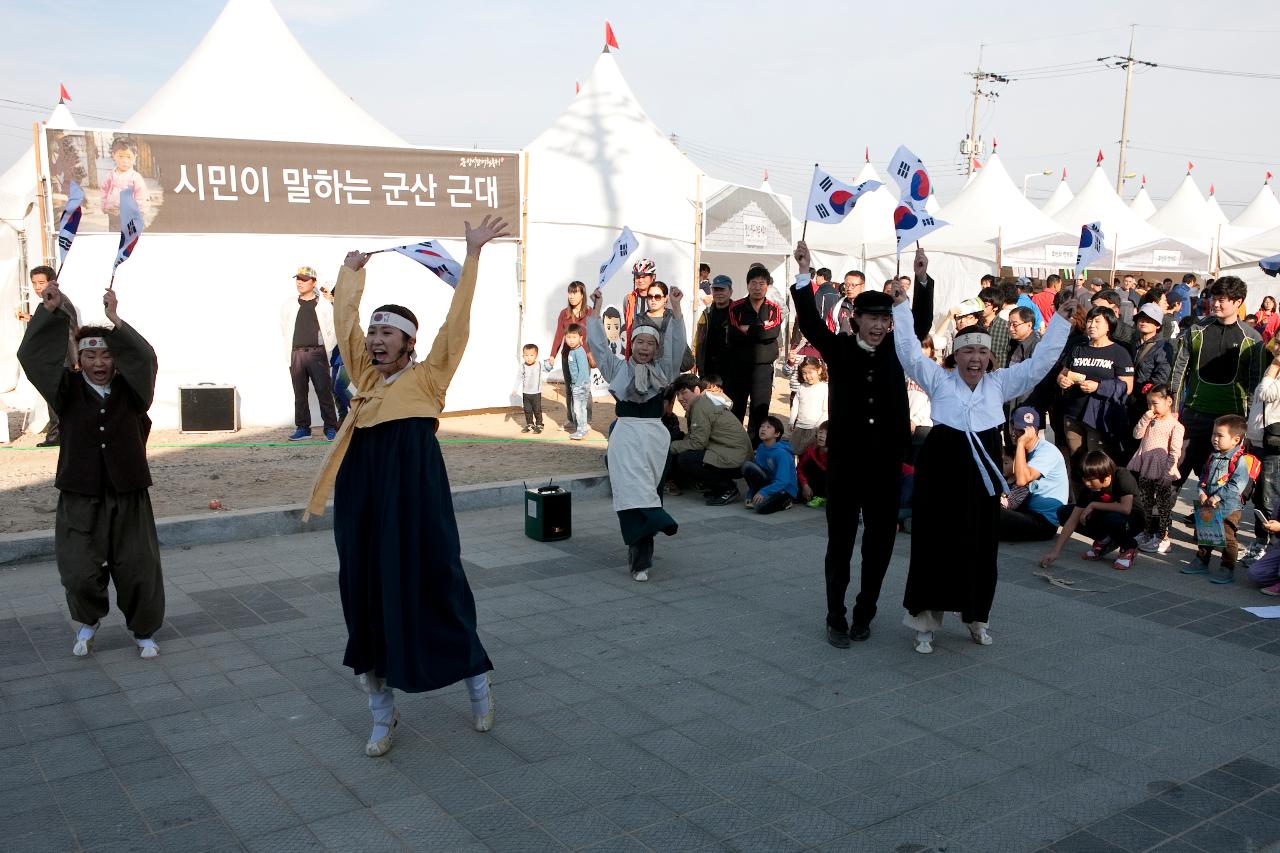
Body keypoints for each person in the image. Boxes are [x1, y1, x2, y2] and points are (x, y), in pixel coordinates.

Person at [303, 215, 509, 756]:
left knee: (435, 583)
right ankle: (381, 716)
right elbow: (343, 326)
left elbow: (457, 322)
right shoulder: (364, 381)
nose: (373, 340)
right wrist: (350, 277)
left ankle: (478, 685)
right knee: (366, 594)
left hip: (415, 494)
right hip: (364, 490)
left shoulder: (429, 377)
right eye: (373, 333)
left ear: (409, 343)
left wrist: (474, 254)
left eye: (385, 332)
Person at [891, 273, 1075, 654]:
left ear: (990, 356)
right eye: (967, 351)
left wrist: (1061, 320)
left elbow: (1040, 363)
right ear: (955, 355)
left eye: (981, 352)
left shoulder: (1001, 382)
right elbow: (908, 352)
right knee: (934, 544)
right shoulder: (939, 381)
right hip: (942, 465)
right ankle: (925, 624)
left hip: (983, 470)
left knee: (979, 545)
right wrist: (900, 306)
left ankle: (977, 617)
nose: (974, 358)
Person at [17, 283, 164, 659]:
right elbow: (34, 357)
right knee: (79, 571)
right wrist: (49, 314)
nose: (99, 363)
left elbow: (145, 358)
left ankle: (144, 629)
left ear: (116, 360)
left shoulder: (132, 392)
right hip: (80, 495)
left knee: (137, 567)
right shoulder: (65, 391)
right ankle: (88, 620)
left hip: (128, 493)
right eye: (91, 355)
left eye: (107, 355)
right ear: (79, 359)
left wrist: (116, 320)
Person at [793, 241, 910, 648]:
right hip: (845, 466)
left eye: (884, 319)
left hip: (885, 467)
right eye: (871, 319)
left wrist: (919, 283)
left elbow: (923, 322)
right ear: (855, 318)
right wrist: (804, 274)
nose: (878, 326)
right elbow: (809, 321)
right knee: (840, 545)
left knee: (879, 546)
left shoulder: (900, 350)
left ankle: (865, 612)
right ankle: (834, 615)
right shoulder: (840, 349)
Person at [587, 281, 687, 580]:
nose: (644, 348)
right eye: (640, 342)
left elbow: (676, 343)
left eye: (650, 344)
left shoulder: (663, 371)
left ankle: (646, 542)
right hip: (626, 436)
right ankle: (644, 549)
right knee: (629, 492)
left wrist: (677, 307)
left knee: (650, 491)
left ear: (656, 349)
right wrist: (595, 308)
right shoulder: (617, 369)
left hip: (654, 438)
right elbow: (598, 346)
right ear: (633, 344)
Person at [1169, 276, 1265, 489]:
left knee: (1220, 483)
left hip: (1231, 418)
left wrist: (1248, 424)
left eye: (1222, 299)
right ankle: (1158, 519)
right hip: (1193, 414)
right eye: (1214, 298)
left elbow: (1256, 384)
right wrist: (1174, 411)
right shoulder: (1195, 331)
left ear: (1238, 302)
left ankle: (1208, 522)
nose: (1215, 304)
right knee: (1174, 471)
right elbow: (1178, 373)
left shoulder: (1252, 338)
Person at [1057, 305, 1134, 479]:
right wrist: (1062, 380)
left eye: (1097, 321)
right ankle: (1079, 501)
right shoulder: (1078, 348)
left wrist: (1098, 387)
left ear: (1109, 326)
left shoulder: (1119, 352)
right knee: (1076, 462)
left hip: (1100, 417)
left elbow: (1127, 386)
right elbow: (1063, 372)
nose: (1092, 325)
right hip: (1073, 415)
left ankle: (1100, 501)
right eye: (1090, 320)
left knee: (1097, 464)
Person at [1181, 414, 1257, 584]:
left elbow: (1237, 485)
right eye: (1214, 434)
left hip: (1229, 507)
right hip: (1208, 503)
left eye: (1220, 435)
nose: (1215, 439)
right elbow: (1203, 476)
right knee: (1206, 533)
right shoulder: (1213, 455)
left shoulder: (1239, 460)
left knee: (1227, 537)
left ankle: (1227, 567)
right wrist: (1201, 490)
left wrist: (1217, 496)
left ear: (1236, 440)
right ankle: (1201, 560)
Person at [1041, 451, 1145, 572]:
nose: (1086, 483)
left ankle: (1128, 547)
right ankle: (1105, 539)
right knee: (1064, 512)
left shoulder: (1122, 475)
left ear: (1105, 475)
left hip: (1133, 521)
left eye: (1090, 480)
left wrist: (1093, 505)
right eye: (1084, 479)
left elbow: (1126, 508)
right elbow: (1072, 521)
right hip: (1108, 518)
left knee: (1112, 519)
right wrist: (1055, 552)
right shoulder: (1089, 488)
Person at [669, 373, 752, 505]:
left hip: (736, 460)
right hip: (737, 455)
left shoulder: (700, 405)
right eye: (677, 394)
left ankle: (727, 488)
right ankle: (717, 486)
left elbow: (697, 443)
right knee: (686, 450)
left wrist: (669, 447)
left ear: (696, 390)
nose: (680, 398)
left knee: (686, 459)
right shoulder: (705, 401)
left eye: (683, 393)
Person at [19, 265, 79, 447]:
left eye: (41, 282)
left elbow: (69, 332)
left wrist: (76, 361)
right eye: (34, 283)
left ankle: (56, 436)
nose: (37, 287)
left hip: (62, 359)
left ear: (52, 282)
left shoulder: (58, 301)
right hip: (57, 358)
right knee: (57, 398)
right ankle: (59, 435)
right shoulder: (51, 301)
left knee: (56, 398)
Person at [726, 265, 784, 444]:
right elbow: (735, 333)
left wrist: (748, 330)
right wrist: (759, 331)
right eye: (754, 283)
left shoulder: (774, 308)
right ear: (747, 285)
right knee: (737, 407)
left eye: (762, 283)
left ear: (767, 286)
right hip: (740, 365)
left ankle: (755, 447)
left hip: (763, 368)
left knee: (760, 410)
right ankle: (735, 445)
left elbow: (772, 333)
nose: (757, 287)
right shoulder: (735, 307)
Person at [282, 265, 339, 441]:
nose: (300, 282)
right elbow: (285, 327)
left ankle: (330, 427)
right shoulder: (290, 304)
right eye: (298, 279)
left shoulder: (323, 304)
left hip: (317, 353)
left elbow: (332, 328)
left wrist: (326, 350)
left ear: (313, 282)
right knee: (299, 392)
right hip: (296, 353)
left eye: (305, 279)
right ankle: (303, 428)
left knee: (324, 390)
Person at [998, 408, 1069, 542]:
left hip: (1043, 522)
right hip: (1025, 512)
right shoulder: (1026, 450)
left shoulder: (1046, 452)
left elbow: (1021, 480)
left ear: (1033, 431)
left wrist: (1020, 443)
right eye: (1014, 428)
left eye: (1021, 430)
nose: (1015, 433)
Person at [1128, 384, 1184, 555]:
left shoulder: (1175, 426)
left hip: (1162, 470)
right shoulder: (1150, 419)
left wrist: (1168, 473)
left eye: (1155, 403)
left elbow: (1175, 451)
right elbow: (1136, 435)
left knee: (1162, 505)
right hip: (1146, 466)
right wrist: (1145, 419)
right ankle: (1147, 533)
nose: (1151, 408)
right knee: (1146, 502)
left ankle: (1163, 537)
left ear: (1169, 401)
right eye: (1148, 404)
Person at [1245, 355, 1280, 566]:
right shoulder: (1273, 372)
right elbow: (1257, 404)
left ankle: (1270, 545)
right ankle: (1260, 541)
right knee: (1257, 496)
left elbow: (1265, 393)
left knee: (1270, 497)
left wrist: (1273, 367)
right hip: (1258, 441)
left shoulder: (1273, 372)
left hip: (1273, 446)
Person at [548, 281, 594, 433]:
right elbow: (558, 335)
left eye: (575, 292)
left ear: (582, 294)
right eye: (570, 292)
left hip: (584, 356)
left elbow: (594, 336)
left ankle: (585, 421)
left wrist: (593, 354)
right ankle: (571, 418)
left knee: (584, 388)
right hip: (567, 357)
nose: (572, 296)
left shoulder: (589, 312)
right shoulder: (564, 314)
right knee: (569, 388)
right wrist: (552, 355)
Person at [741, 416, 797, 514]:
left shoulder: (781, 453)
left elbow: (783, 481)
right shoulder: (761, 447)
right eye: (762, 426)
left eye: (768, 427)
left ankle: (787, 501)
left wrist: (763, 492)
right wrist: (751, 493)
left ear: (777, 434)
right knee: (747, 466)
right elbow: (758, 474)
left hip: (785, 489)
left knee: (759, 507)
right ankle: (758, 494)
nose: (763, 429)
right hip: (770, 483)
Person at [100, 136, 151, 230]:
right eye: (120, 156)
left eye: (129, 157)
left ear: (135, 157)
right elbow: (104, 190)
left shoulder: (135, 177)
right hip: (113, 213)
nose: (125, 160)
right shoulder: (111, 175)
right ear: (113, 155)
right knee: (115, 235)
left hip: (130, 215)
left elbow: (142, 196)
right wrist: (105, 205)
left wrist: (140, 212)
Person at [693, 275, 734, 378]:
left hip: (730, 368)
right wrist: (694, 359)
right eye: (716, 289)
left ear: (730, 291)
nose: (719, 293)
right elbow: (698, 337)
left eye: (722, 289)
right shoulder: (706, 313)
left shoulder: (737, 312)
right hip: (707, 368)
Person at [789, 358, 828, 455]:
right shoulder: (802, 387)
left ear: (819, 370)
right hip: (799, 427)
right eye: (804, 373)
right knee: (794, 452)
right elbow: (796, 405)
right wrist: (792, 421)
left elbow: (825, 410)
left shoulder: (824, 388)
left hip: (814, 429)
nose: (807, 376)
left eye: (810, 372)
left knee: (810, 455)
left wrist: (817, 427)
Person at [513, 343, 551, 433]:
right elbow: (519, 378)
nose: (528, 357)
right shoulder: (522, 366)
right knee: (527, 410)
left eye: (531, 355)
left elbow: (548, 369)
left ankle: (539, 424)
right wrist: (515, 389)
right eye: (526, 355)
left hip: (536, 392)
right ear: (523, 356)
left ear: (536, 356)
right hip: (526, 393)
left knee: (537, 409)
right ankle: (530, 424)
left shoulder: (539, 365)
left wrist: (550, 364)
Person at [622, 258, 658, 355]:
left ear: (653, 277)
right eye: (638, 277)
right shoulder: (628, 299)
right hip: (635, 351)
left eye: (644, 276)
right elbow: (628, 325)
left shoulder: (661, 298)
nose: (640, 280)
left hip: (656, 350)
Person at [564, 325, 592, 440]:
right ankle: (583, 428)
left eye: (574, 337)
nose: (571, 340)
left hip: (580, 385)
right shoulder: (572, 351)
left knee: (578, 409)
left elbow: (583, 370)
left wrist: (577, 385)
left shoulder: (579, 352)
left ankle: (581, 430)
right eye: (568, 337)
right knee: (581, 408)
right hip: (578, 385)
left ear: (581, 338)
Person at [797, 421, 830, 507]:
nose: (821, 435)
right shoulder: (811, 451)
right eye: (820, 432)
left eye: (826, 433)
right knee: (809, 464)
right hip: (812, 484)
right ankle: (812, 495)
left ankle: (823, 497)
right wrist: (805, 485)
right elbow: (800, 468)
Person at [979, 287, 1011, 368]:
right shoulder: (974, 324)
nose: (981, 307)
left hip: (997, 375)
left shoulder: (1006, 327)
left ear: (996, 307)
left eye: (985, 304)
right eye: (979, 303)